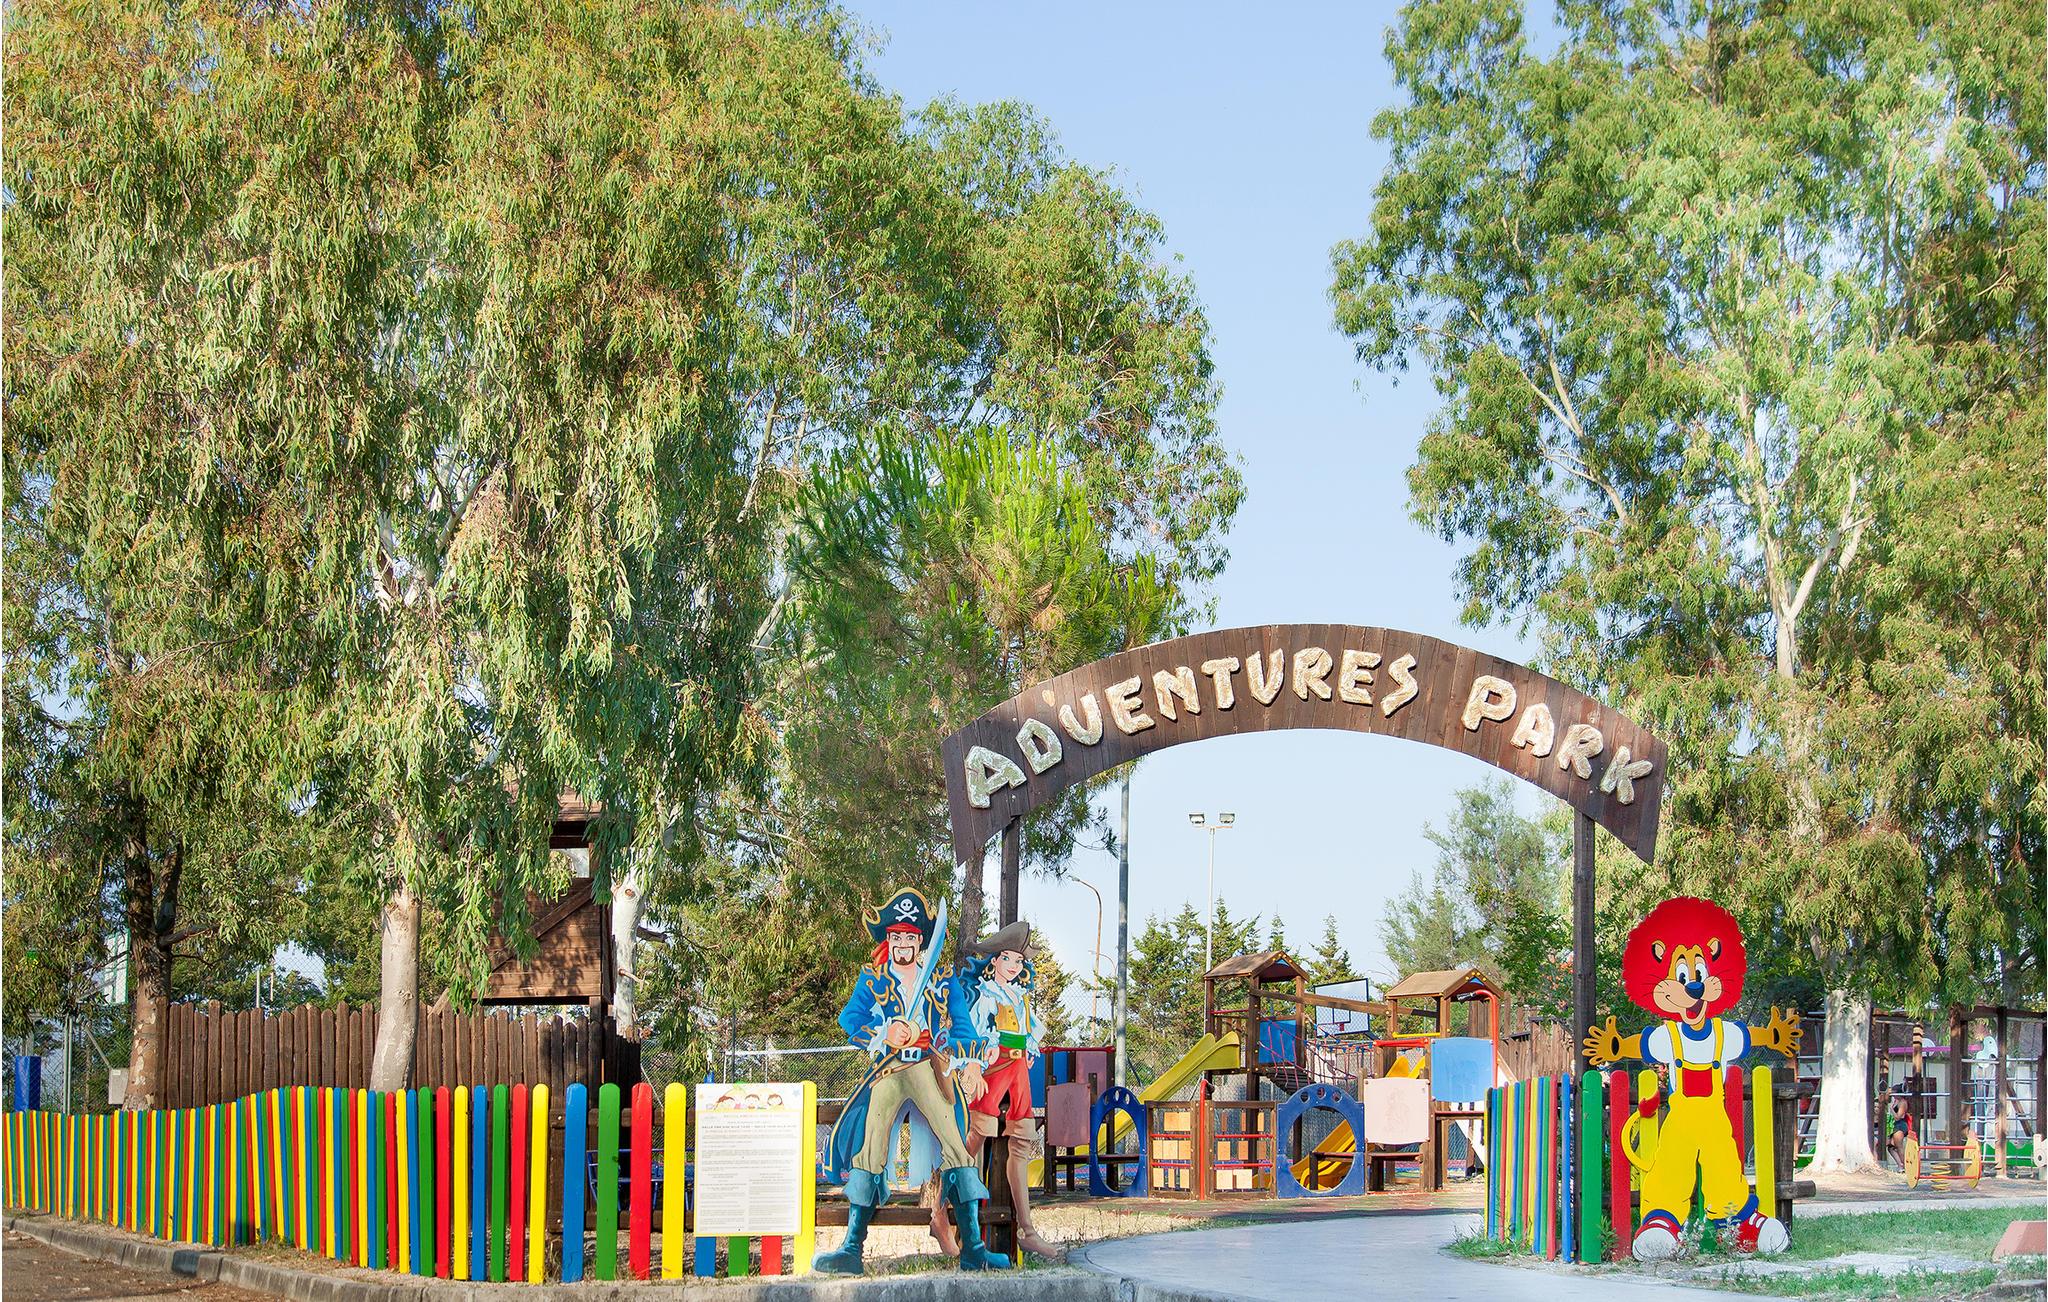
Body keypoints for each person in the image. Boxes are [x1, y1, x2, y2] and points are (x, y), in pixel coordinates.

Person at [815, 887, 1010, 1274]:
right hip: (889, 1067)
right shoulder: (873, 978)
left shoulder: (941, 979)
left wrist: (971, 1062)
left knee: (956, 1144)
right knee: (870, 1143)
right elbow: (850, 1019)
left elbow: (963, 1024)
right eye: (897, 937)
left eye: (910, 937)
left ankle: (973, 1248)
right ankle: (851, 1248)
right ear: (888, 940)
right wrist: (884, 1032)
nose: (903, 944)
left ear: (921, 942)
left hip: (927, 1065)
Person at [928, 921, 1057, 1259]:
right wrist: (983, 1049)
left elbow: (1030, 1032)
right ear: (994, 961)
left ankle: (1028, 1231)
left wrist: (1029, 1048)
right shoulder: (985, 994)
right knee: (973, 1142)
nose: (1013, 965)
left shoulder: (1020, 997)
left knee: (1022, 1143)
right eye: (1007, 958)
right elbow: (971, 1031)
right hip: (993, 1069)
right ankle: (943, 1215)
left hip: (1018, 1072)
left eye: (1019, 960)